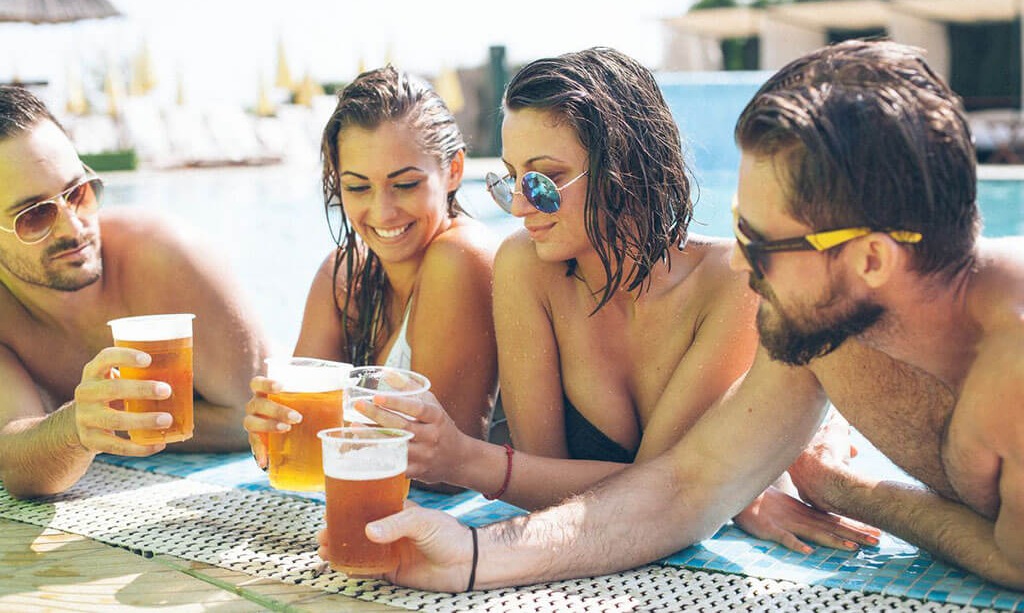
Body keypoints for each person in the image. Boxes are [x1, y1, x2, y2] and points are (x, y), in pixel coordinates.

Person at [339, 40, 1024, 591]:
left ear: (871, 260)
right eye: (736, 230)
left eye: (760, 242)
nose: (736, 263)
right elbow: (683, 486)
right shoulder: (824, 335)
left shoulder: (1014, 366)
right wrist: (472, 555)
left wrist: (848, 486)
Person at [0, 86, 268, 499]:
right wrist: (76, 426)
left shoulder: (165, 257)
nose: (74, 228)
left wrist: (104, 421)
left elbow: (254, 417)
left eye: (78, 193)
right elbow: (18, 464)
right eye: (36, 215)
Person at [243, 67, 498, 478]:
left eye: (406, 184)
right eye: (358, 188)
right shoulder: (345, 275)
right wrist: (271, 431)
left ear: (453, 170)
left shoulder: (461, 257)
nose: (382, 212)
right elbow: (296, 448)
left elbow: (439, 472)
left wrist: (325, 433)